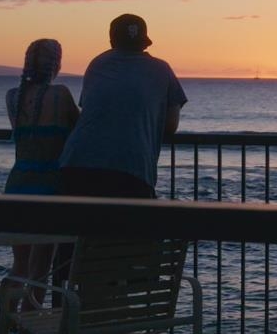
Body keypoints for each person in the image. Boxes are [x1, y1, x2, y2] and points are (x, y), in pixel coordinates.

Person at [54, 13, 187, 198]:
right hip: (131, 168)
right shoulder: (161, 69)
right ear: (144, 41)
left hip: (75, 163)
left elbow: (91, 110)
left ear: (112, 40)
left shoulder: (97, 64)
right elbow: (170, 126)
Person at [2, 38, 77, 308]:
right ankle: (27, 331)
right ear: (56, 64)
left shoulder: (13, 97)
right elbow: (77, 131)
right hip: (49, 186)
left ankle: (5, 328)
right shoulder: (61, 95)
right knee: (41, 269)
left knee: (20, 264)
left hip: (18, 183)